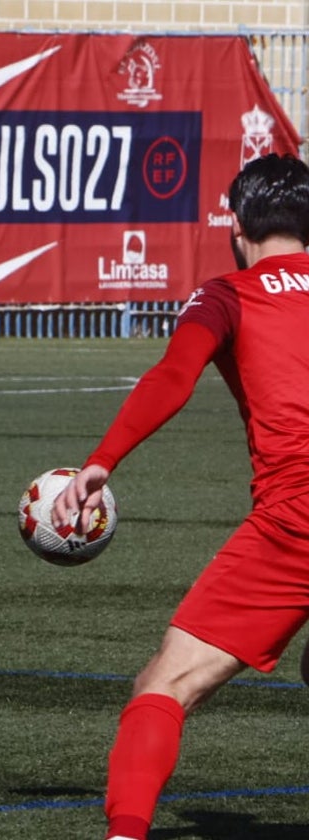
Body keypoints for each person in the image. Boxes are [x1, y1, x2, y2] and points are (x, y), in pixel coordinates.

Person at [53, 153, 309, 840]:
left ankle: (125, 835)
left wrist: (102, 461)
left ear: (235, 225)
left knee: (163, 688)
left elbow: (173, 375)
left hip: (298, 516)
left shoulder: (227, 293)